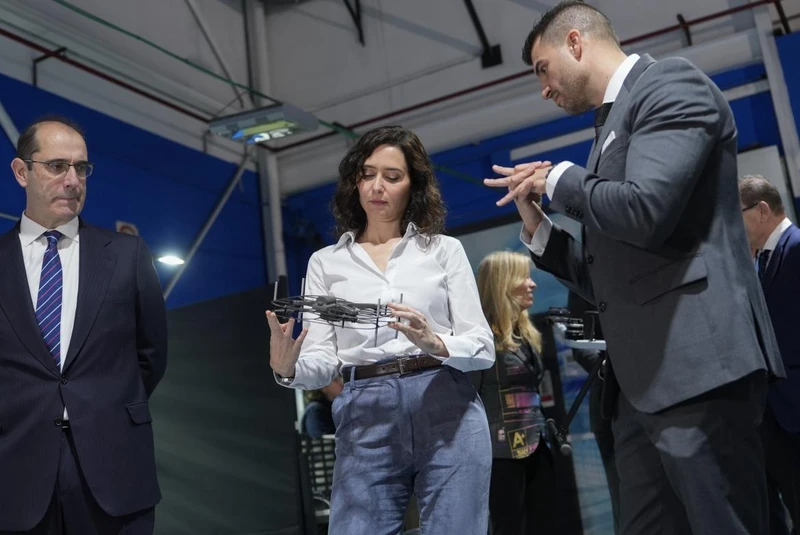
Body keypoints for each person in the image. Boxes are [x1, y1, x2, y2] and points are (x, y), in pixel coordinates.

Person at [483, 2, 785, 533]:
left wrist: (558, 180)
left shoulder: (671, 84)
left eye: (541, 68)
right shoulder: (610, 131)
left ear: (575, 43)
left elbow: (646, 210)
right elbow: (613, 273)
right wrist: (538, 227)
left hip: (698, 375)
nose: (543, 88)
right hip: (637, 392)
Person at [266, 125, 495, 534]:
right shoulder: (325, 262)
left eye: (392, 176)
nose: (377, 186)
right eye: (368, 174)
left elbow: (481, 346)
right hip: (364, 411)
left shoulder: (443, 250)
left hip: (446, 403)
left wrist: (434, 340)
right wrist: (289, 369)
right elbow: (323, 359)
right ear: (355, 181)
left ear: (414, 186)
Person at [0, 117, 168, 534]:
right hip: (14, 473)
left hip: (114, 471)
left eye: (82, 168)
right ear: (22, 171)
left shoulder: (127, 254)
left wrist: (102, 406)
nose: (72, 179)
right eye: (57, 166)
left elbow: (152, 355)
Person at [470, 251, 555, 535]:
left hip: (537, 444)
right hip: (500, 455)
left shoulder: (524, 334)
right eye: (524, 277)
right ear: (502, 283)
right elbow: (468, 400)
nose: (532, 284)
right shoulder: (480, 340)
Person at [739, 175, 800, 535]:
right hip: (779, 415)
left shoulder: (795, 248)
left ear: (762, 210)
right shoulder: (763, 258)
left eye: (737, 215)